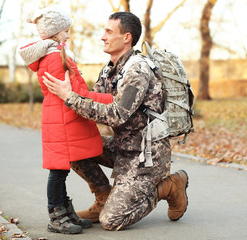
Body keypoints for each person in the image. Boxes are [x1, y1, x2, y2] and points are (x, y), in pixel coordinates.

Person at [43, 11, 188, 231]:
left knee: (111, 221)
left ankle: (168, 186)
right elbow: (91, 104)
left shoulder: (138, 70)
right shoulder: (109, 70)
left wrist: (70, 97)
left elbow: (116, 114)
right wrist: (69, 85)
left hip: (145, 156)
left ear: (127, 37)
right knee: (71, 145)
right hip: (121, 146)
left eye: (109, 31)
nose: (103, 36)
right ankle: (103, 198)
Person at [18, 7, 113, 235]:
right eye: (65, 31)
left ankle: (66, 211)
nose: (68, 35)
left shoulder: (56, 55)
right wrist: (110, 99)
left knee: (62, 170)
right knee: (58, 171)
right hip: (62, 121)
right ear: (54, 32)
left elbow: (75, 91)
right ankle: (56, 215)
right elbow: (76, 93)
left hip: (61, 119)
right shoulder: (54, 58)